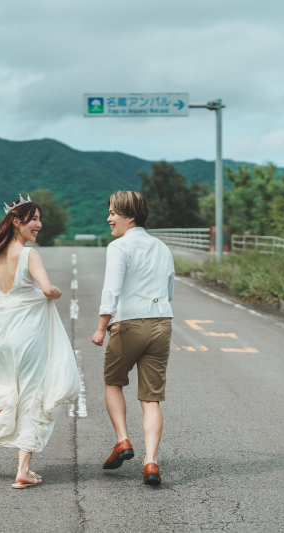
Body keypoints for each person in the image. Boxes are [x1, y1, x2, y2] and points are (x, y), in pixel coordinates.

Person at [0, 194, 80, 489]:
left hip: (1, 332)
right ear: (17, 222)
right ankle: (23, 471)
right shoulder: (29, 255)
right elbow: (47, 290)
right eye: (34, 219)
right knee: (33, 394)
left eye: (40, 219)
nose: (38, 224)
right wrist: (57, 291)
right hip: (28, 334)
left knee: (6, 388)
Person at [91, 191, 175, 486]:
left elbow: (111, 290)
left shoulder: (119, 246)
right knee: (151, 398)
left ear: (130, 217)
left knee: (113, 382)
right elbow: (170, 290)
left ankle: (123, 441)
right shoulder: (162, 247)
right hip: (162, 323)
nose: (109, 218)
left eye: (113, 213)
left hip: (128, 324)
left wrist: (102, 327)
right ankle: (151, 463)